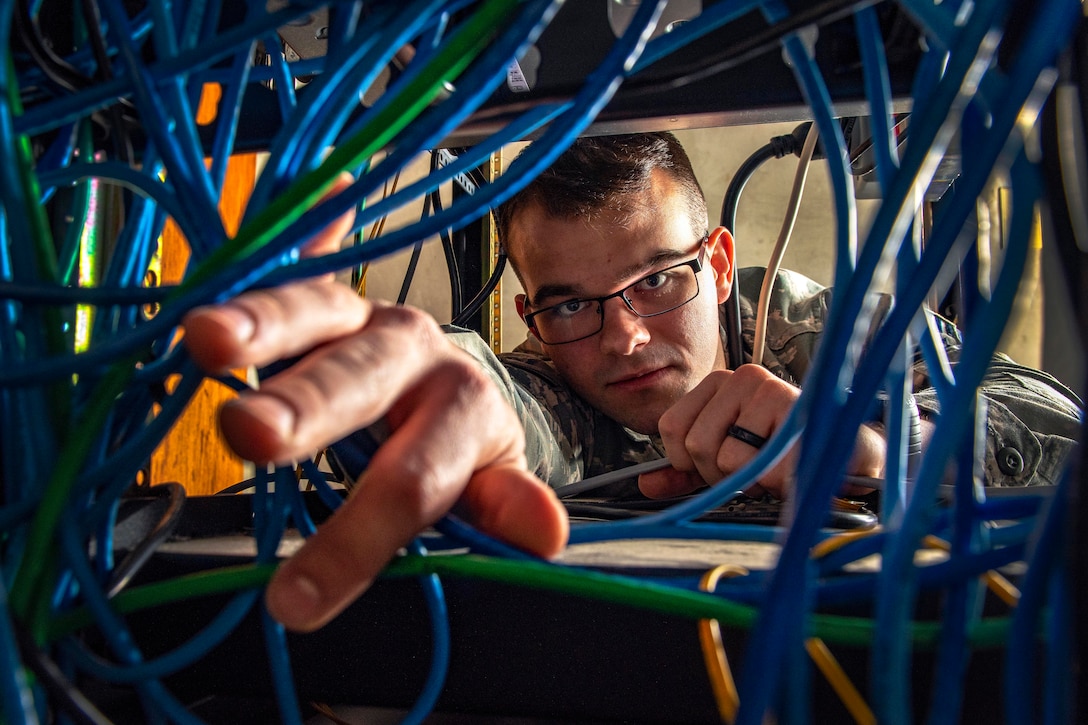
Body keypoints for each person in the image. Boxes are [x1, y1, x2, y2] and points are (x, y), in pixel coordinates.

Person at [182, 132, 1082, 633]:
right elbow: (494, 395)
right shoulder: (552, 378)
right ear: (532, 310)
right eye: (569, 303)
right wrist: (409, 388)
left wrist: (887, 449)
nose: (625, 335)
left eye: (658, 278)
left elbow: (1049, 420)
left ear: (720, 264)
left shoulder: (838, 334)